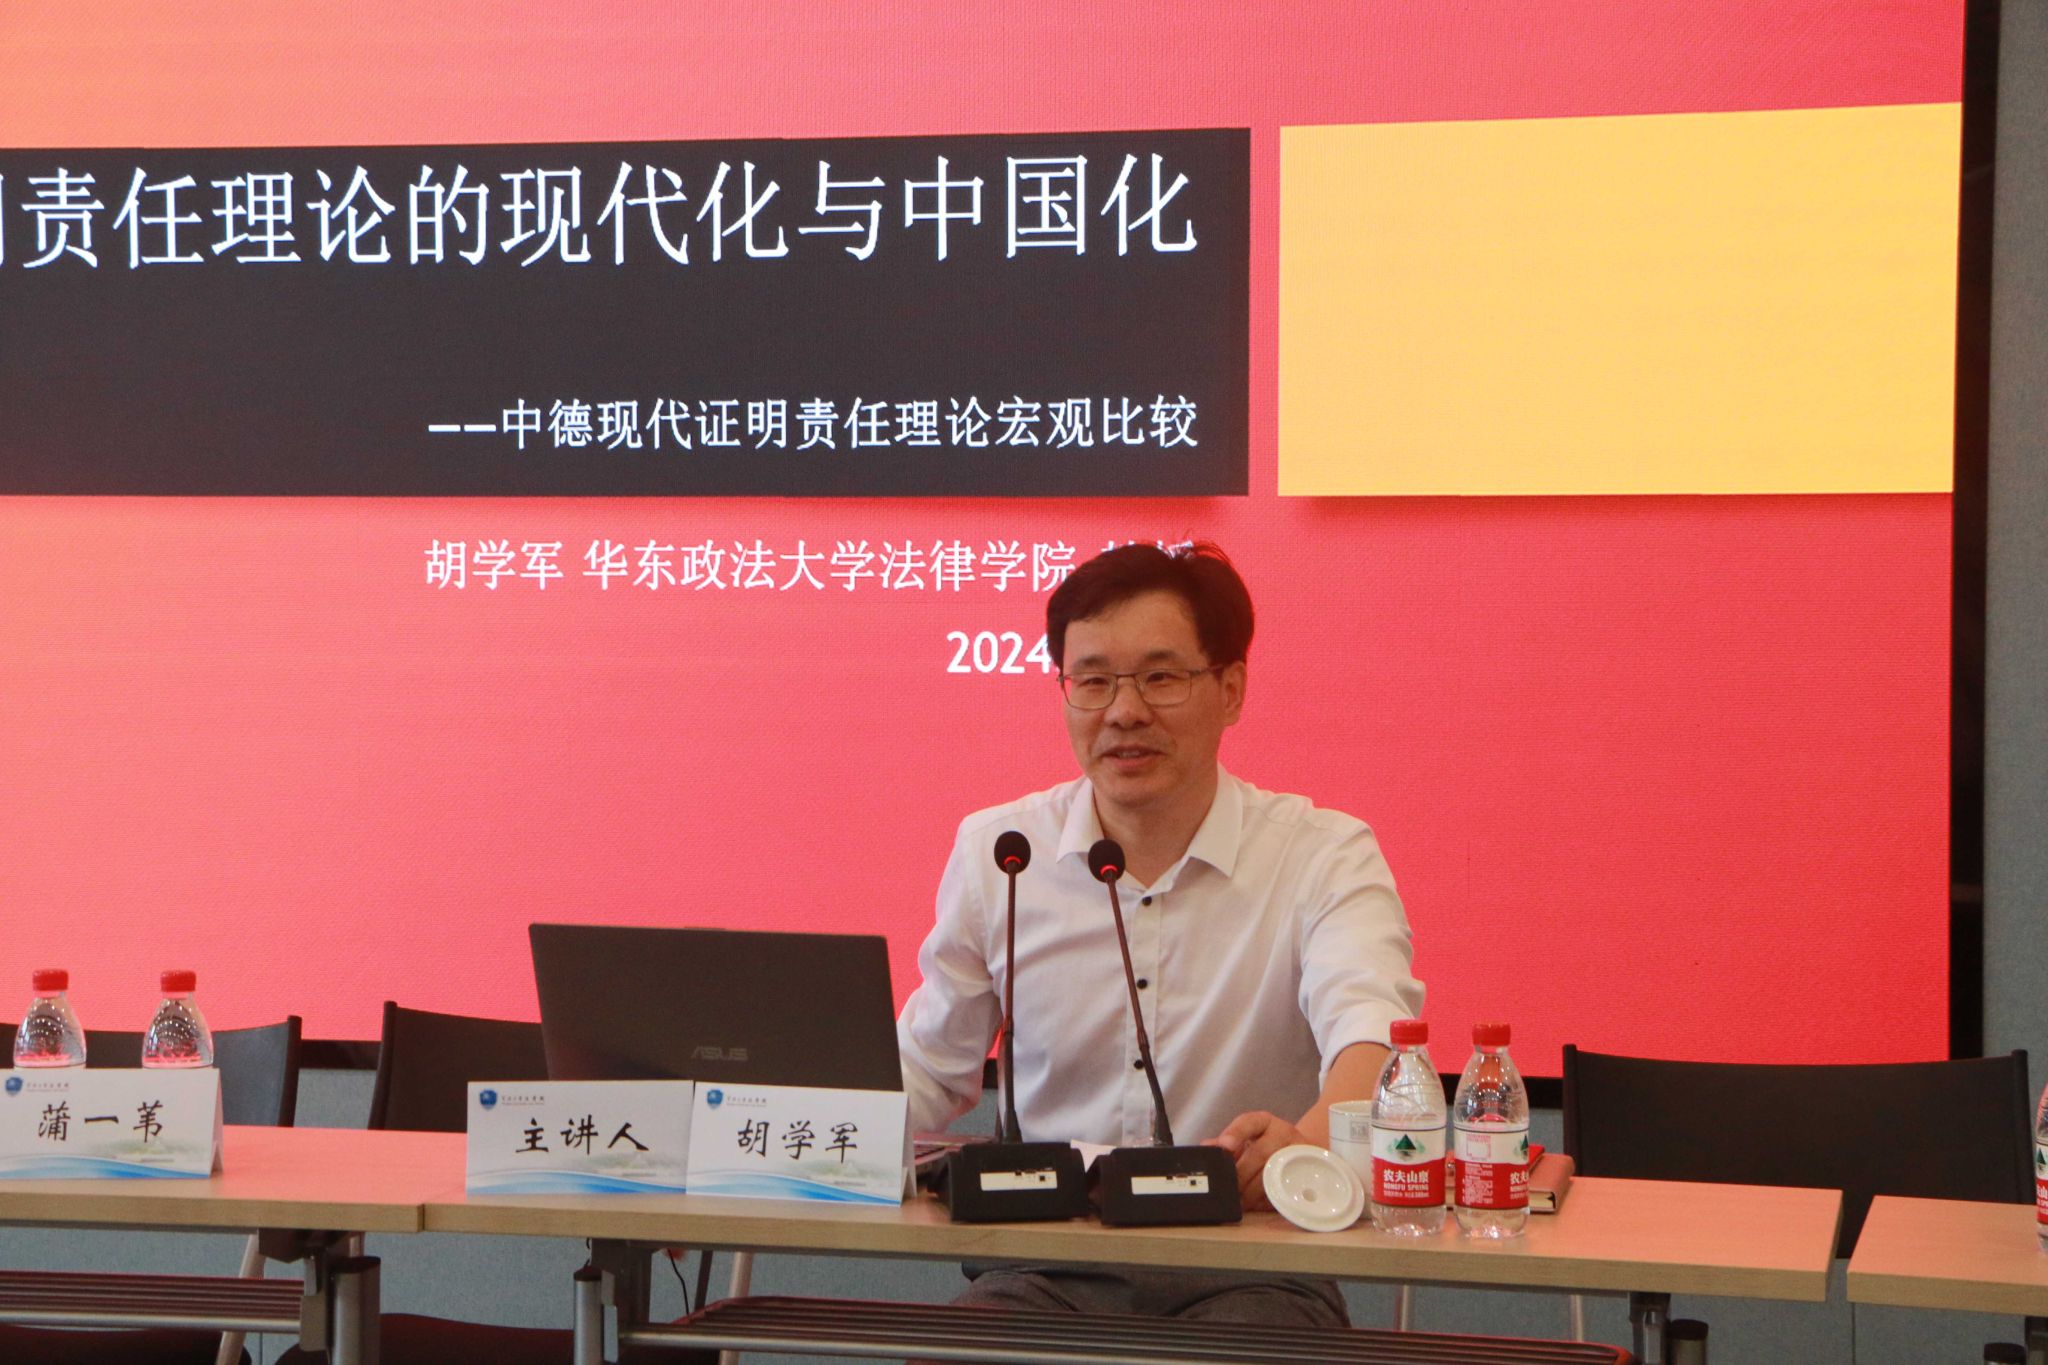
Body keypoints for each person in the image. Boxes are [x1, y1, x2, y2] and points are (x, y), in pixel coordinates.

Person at [896, 540, 1423, 1328]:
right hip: (1045, 1266)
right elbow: (928, 1066)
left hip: (1255, 1268)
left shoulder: (1322, 854)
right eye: (1093, 679)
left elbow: (1373, 1040)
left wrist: (1303, 1145)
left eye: (1161, 677)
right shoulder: (1002, 854)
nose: (1124, 711)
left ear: (1231, 689)